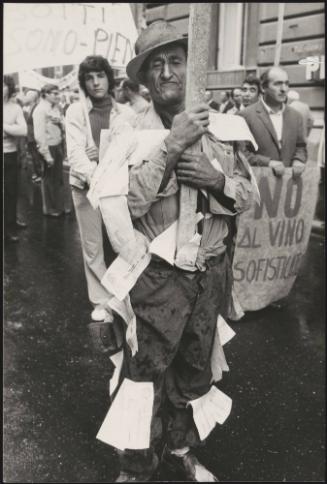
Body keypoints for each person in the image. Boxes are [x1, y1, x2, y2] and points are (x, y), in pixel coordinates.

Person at [102, 20, 254, 482]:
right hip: (156, 277)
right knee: (143, 376)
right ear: (145, 80)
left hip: (208, 275)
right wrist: (171, 145)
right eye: (156, 65)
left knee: (194, 371)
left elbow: (248, 195)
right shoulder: (127, 132)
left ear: (192, 69)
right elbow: (125, 203)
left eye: (175, 61)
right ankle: (136, 466)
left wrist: (215, 180)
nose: (166, 72)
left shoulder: (225, 128)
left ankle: (181, 448)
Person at [65, 55, 136, 322]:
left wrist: (110, 169)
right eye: (89, 78)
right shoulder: (76, 112)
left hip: (118, 188)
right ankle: (101, 300)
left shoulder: (126, 113)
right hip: (86, 187)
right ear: (83, 83)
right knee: (93, 246)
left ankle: (123, 294)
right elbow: (75, 154)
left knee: (121, 241)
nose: (96, 83)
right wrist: (97, 173)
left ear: (109, 78)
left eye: (100, 76)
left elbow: (131, 150)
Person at [239, 67, 307, 177]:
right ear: (263, 87)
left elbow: (301, 146)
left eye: (286, 84)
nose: (284, 89)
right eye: (278, 84)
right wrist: (268, 162)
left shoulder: (296, 116)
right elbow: (241, 153)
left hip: (288, 185)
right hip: (258, 185)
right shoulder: (245, 116)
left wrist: (298, 160)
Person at [33, 83, 66, 217]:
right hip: (49, 147)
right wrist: (46, 155)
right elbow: (39, 135)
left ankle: (57, 205)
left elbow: (63, 125)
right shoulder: (40, 110)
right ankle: (50, 208)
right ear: (45, 95)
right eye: (55, 93)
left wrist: (60, 121)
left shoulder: (56, 108)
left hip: (57, 145)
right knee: (48, 179)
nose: (58, 96)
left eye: (58, 93)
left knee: (57, 178)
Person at [3, 75, 28, 243]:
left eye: (3, 85)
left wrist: (4, 127)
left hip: (10, 155)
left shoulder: (15, 108)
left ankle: (10, 226)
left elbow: (23, 131)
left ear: (9, 88)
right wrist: (12, 129)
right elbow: (17, 130)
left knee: (11, 192)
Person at [24, 90, 43, 183]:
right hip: (30, 137)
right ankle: (37, 173)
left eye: (26, 96)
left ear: (31, 98)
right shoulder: (29, 108)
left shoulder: (36, 108)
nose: (25, 97)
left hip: (34, 136)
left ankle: (40, 174)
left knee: (37, 156)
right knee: (33, 155)